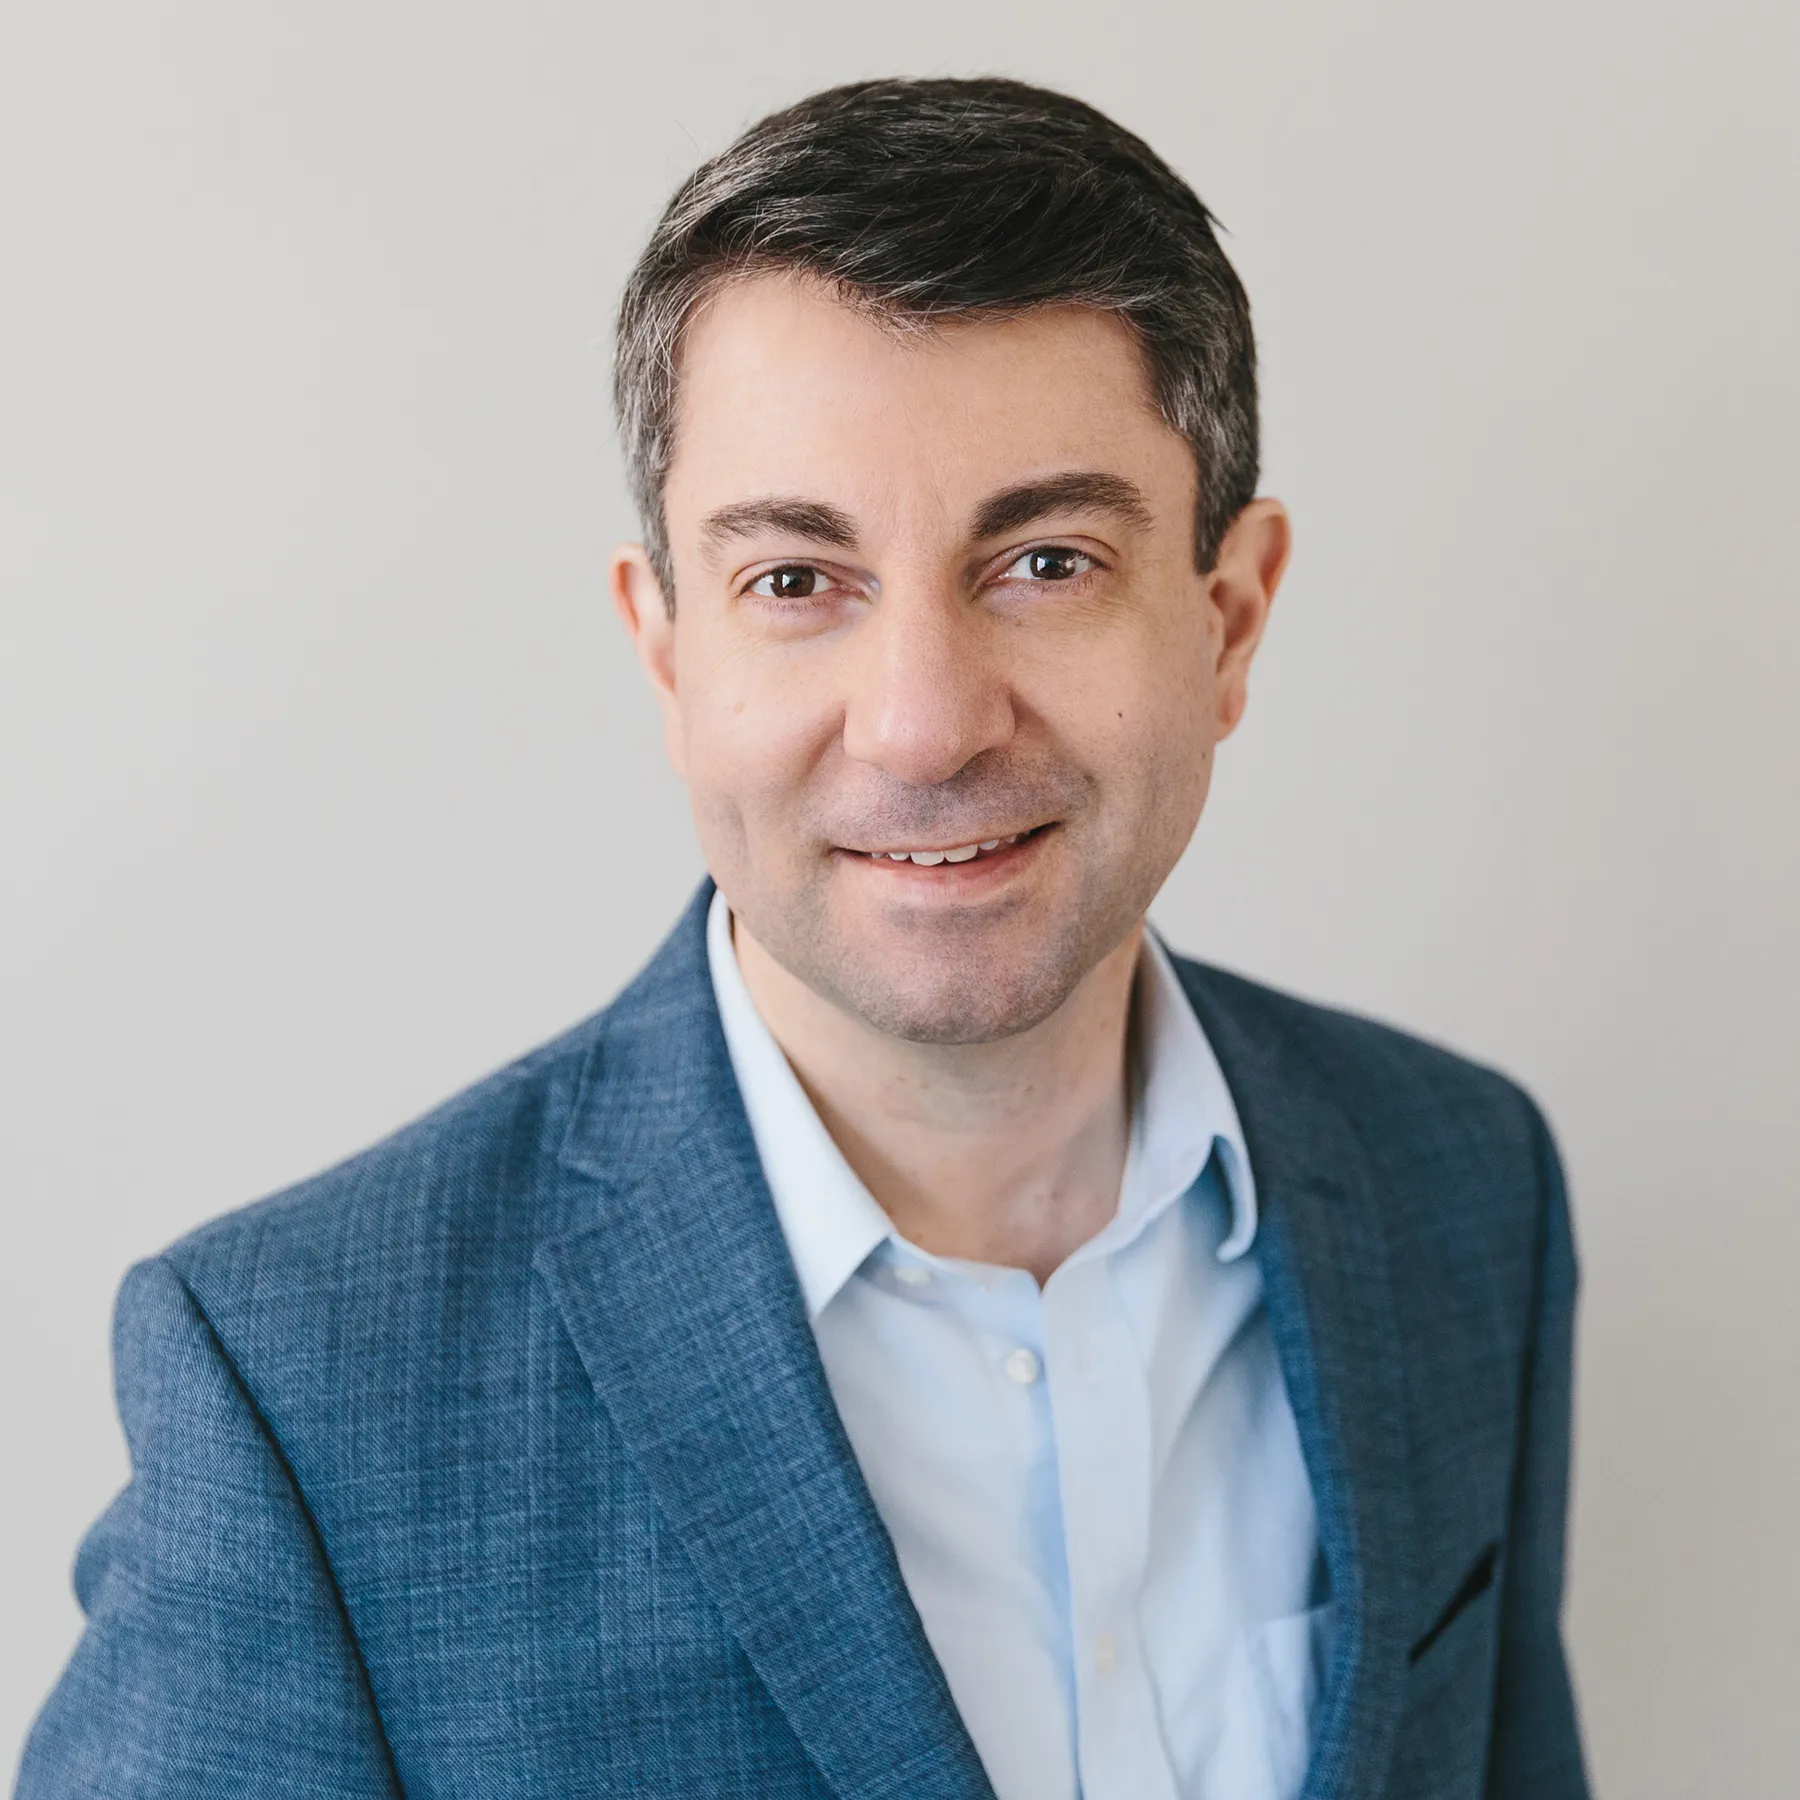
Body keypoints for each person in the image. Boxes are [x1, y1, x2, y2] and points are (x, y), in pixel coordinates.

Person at [17, 77, 1589, 1800]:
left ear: (1229, 620)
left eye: (1048, 561)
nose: (923, 726)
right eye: (794, 580)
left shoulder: (1465, 1192)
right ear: (667, 649)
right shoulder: (296, 1384)